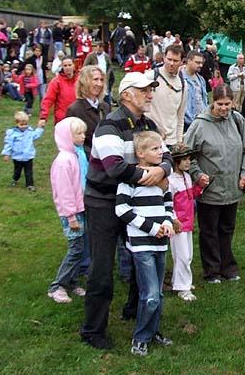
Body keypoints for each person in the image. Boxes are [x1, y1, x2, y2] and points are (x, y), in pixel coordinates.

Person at [80, 72, 171, 350]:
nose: (150, 94)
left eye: (151, 89)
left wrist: (161, 169)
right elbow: (115, 168)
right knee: (102, 266)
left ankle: (137, 313)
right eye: (144, 90)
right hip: (104, 202)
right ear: (127, 94)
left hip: (136, 202)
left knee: (140, 258)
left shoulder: (148, 124)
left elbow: (166, 156)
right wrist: (152, 174)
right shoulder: (109, 126)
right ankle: (93, 330)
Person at [184, 84, 245, 283]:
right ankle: (212, 270)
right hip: (210, 189)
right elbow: (186, 153)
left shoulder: (238, 120)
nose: (224, 108)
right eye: (220, 104)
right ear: (211, 102)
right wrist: (197, 174)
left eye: (227, 104)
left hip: (232, 187)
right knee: (209, 231)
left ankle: (228, 267)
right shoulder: (199, 125)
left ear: (233, 102)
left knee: (227, 229)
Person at [116, 131, 175, 355]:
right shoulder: (130, 179)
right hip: (142, 245)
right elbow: (121, 209)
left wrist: (168, 222)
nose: (161, 152)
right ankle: (140, 337)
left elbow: (168, 203)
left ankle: (153, 331)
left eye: (161, 148)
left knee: (158, 294)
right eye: (155, 149)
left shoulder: (162, 179)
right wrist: (151, 227)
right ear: (140, 153)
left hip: (161, 244)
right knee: (149, 295)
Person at [48, 117, 88, 304]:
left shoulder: (76, 155)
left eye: (83, 133)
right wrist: (71, 216)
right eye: (78, 133)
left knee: (80, 248)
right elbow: (64, 192)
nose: (83, 136)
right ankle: (57, 286)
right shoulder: (64, 161)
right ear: (66, 136)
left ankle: (71, 282)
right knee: (75, 249)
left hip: (80, 209)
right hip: (71, 213)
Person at [168, 144, 201, 302]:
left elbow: (191, 195)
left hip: (188, 222)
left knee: (187, 255)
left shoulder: (187, 177)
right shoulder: (171, 181)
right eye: (184, 159)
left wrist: (200, 187)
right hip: (178, 224)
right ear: (176, 161)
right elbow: (167, 202)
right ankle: (183, 288)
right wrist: (174, 219)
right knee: (182, 255)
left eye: (189, 159)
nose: (188, 162)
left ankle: (179, 281)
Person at [65, 65, 110, 158]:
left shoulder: (105, 107)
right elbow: (71, 142)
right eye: (95, 79)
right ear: (85, 82)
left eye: (101, 80)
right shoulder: (75, 110)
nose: (99, 84)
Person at [147, 44, 186, 146]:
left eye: (175, 61)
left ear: (181, 62)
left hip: (172, 141)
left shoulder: (183, 84)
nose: (171, 63)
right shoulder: (150, 77)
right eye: (169, 59)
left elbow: (180, 116)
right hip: (151, 139)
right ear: (164, 58)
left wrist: (179, 141)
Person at [2, 111, 44, 191]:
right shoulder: (12, 134)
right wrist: (7, 154)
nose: (24, 126)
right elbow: (8, 144)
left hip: (28, 156)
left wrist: (40, 128)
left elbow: (36, 135)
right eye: (21, 125)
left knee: (29, 171)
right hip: (17, 157)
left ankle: (30, 185)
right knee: (17, 171)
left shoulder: (30, 132)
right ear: (16, 123)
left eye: (26, 124)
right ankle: (15, 179)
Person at [38, 58, 78, 127]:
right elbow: (48, 99)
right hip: (62, 119)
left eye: (69, 65)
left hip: (78, 118)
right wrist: (43, 117)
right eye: (65, 66)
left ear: (73, 65)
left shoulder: (80, 79)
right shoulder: (56, 81)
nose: (68, 67)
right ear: (62, 67)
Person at [181, 50, 208, 132]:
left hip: (202, 121)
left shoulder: (201, 79)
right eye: (197, 62)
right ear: (189, 61)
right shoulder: (180, 78)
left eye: (201, 63)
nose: (201, 65)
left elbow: (204, 100)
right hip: (186, 123)